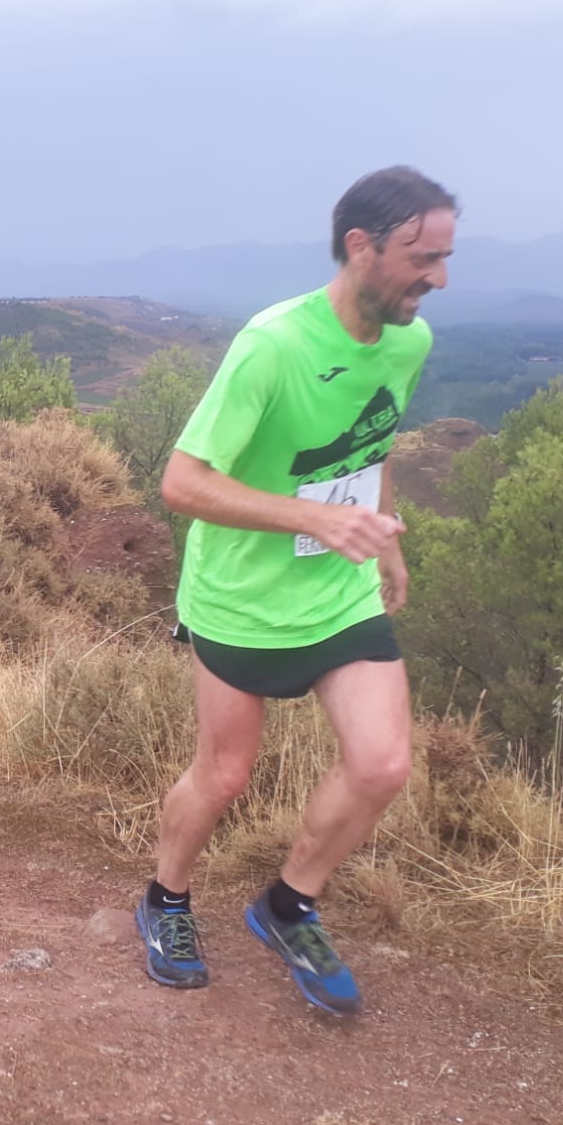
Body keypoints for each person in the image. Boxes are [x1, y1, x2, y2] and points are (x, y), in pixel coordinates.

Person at [133, 166, 457, 1015]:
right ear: (362, 247)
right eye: (423, 257)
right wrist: (310, 521)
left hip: (338, 593)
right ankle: (165, 899)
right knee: (225, 774)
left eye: (446, 257)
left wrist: (380, 539)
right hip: (239, 597)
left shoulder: (410, 342)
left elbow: (373, 441)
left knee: (383, 764)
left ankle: (289, 903)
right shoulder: (274, 344)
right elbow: (181, 482)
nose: (439, 278)